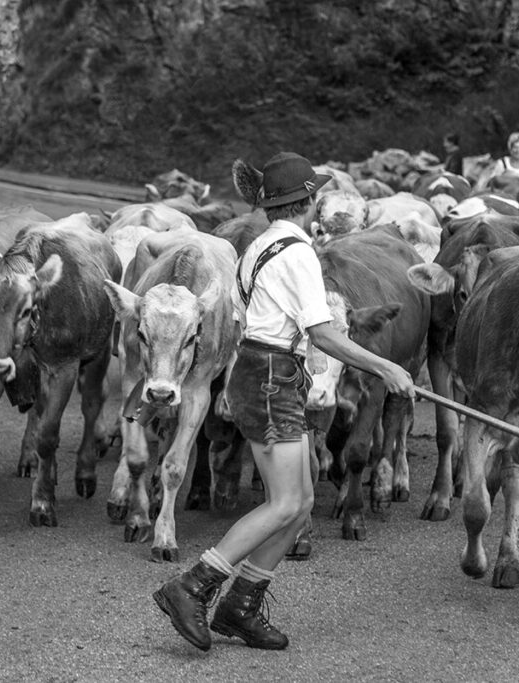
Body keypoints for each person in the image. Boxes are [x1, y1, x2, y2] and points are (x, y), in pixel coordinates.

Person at [151, 151, 415, 652]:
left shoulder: (261, 246)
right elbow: (324, 334)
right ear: (308, 200)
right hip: (271, 377)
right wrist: (385, 367)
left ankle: (241, 605)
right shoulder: (297, 253)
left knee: (302, 503)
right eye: (316, 195)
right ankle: (192, 587)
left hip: (265, 371)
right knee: (287, 502)